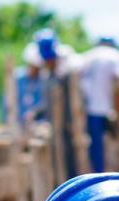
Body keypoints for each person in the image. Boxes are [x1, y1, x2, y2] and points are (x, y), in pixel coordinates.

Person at [27, 29, 80, 178]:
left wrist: (71, 124)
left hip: (67, 129)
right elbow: (47, 103)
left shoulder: (66, 75)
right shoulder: (47, 76)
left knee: (69, 166)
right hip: (54, 129)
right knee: (56, 167)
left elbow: (74, 104)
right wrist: (36, 113)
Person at [79, 37, 119, 172]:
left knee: (95, 153)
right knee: (113, 151)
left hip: (90, 111)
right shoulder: (115, 55)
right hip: (108, 111)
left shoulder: (88, 56)